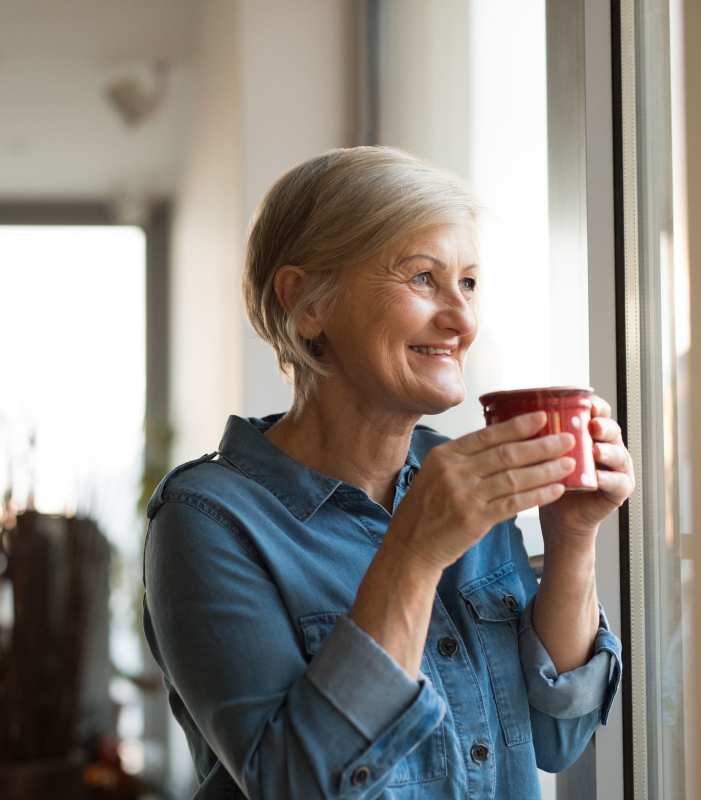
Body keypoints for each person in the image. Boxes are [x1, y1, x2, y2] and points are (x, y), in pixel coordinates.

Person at [142, 146, 635, 799]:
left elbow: (557, 736)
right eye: (423, 278)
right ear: (306, 304)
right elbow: (295, 786)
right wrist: (414, 550)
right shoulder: (208, 519)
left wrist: (572, 536)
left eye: (468, 283)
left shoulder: (459, 479)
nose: (461, 320)